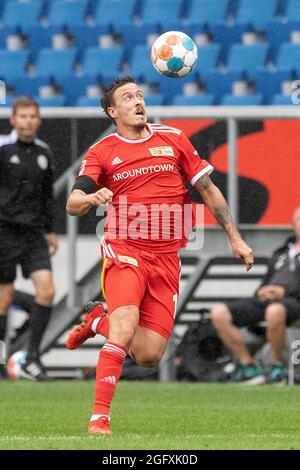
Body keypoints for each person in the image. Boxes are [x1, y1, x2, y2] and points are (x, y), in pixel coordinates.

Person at [66, 77, 253, 435]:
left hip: (166, 258)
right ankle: (99, 420)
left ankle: (95, 322)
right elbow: (72, 202)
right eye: (127, 97)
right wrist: (90, 199)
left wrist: (235, 238)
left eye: (139, 95)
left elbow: (209, 191)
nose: (138, 101)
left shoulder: (173, 139)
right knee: (125, 327)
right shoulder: (102, 152)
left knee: (150, 355)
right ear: (112, 111)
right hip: (125, 249)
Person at [0, 97, 58, 381]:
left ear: (38, 120)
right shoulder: (3, 149)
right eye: (22, 116)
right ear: (13, 119)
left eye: (32, 116)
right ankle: (1, 361)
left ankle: (32, 358)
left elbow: (48, 196)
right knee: (3, 300)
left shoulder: (44, 152)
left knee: (46, 292)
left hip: (34, 233)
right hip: (5, 231)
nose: (28, 121)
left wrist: (51, 230)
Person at [211, 207, 300, 385]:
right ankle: (248, 366)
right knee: (219, 313)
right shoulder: (280, 252)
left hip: (294, 302)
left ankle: (276, 366)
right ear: (292, 224)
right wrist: (263, 290)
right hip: (268, 301)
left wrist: (284, 292)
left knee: (275, 311)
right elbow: (267, 280)